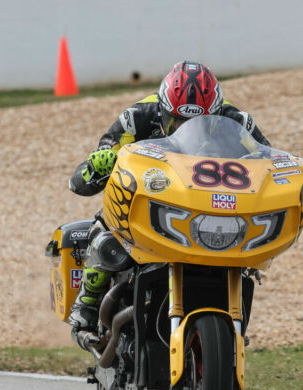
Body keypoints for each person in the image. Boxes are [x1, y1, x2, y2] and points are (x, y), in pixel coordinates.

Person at [67, 61, 268, 340]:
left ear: (216, 112)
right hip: (153, 199)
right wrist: (98, 165)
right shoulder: (136, 117)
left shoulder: (237, 122)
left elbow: (266, 160)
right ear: (163, 110)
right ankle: (86, 303)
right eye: (177, 122)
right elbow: (80, 181)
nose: (186, 129)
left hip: (207, 210)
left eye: (201, 124)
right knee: (107, 223)